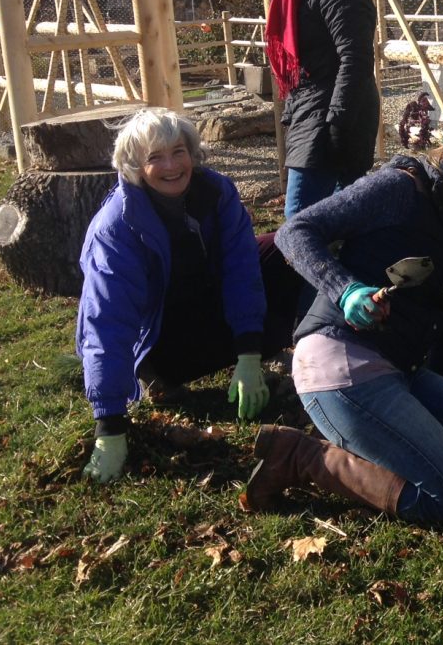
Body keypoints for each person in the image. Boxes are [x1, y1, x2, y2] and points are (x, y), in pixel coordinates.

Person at [244, 118, 443, 522]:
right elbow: (295, 231)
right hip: (338, 361)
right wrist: (345, 289)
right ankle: (300, 457)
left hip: (399, 366)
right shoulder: (400, 189)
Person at [77, 109, 302, 483]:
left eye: (178, 151)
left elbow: (242, 269)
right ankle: (159, 378)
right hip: (159, 342)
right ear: (134, 165)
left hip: (202, 299)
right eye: (154, 157)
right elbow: (107, 321)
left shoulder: (217, 192)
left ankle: (283, 347)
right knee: (149, 345)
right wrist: (110, 426)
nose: (171, 165)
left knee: (281, 248)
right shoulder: (116, 228)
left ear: (192, 152)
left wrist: (248, 353)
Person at [267, 0, 379, 218]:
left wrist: (337, 124)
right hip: (312, 111)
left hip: (334, 116)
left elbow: (355, 58)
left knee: (299, 223)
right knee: (332, 224)